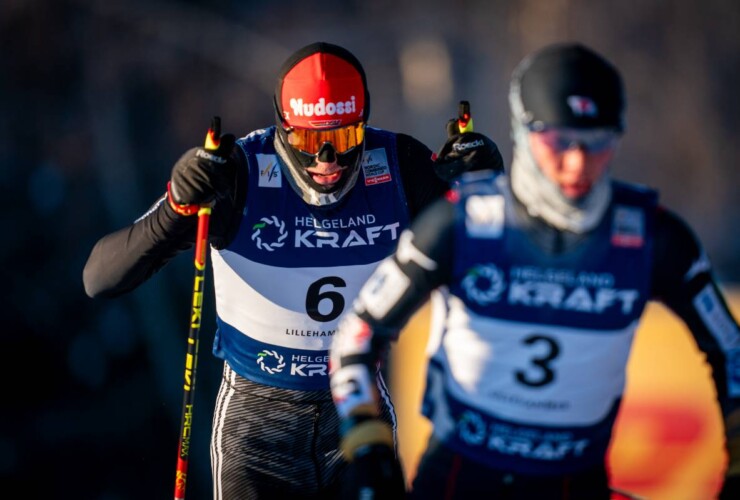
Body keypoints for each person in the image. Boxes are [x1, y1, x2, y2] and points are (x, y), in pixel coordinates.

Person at [82, 41, 503, 499]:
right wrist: (177, 209)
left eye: (344, 139)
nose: (326, 160)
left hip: (357, 411)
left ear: (364, 125)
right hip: (258, 427)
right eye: (307, 140)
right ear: (282, 128)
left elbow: (494, 268)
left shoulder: (401, 166)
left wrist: (486, 191)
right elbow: (100, 278)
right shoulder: (238, 173)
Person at [329, 42, 740, 499]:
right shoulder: (462, 221)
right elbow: (359, 336)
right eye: (558, 142)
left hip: (574, 482)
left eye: (598, 143)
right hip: (458, 480)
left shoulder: (652, 235)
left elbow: (731, 351)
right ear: (522, 133)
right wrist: (370, 450)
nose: (577, 164)